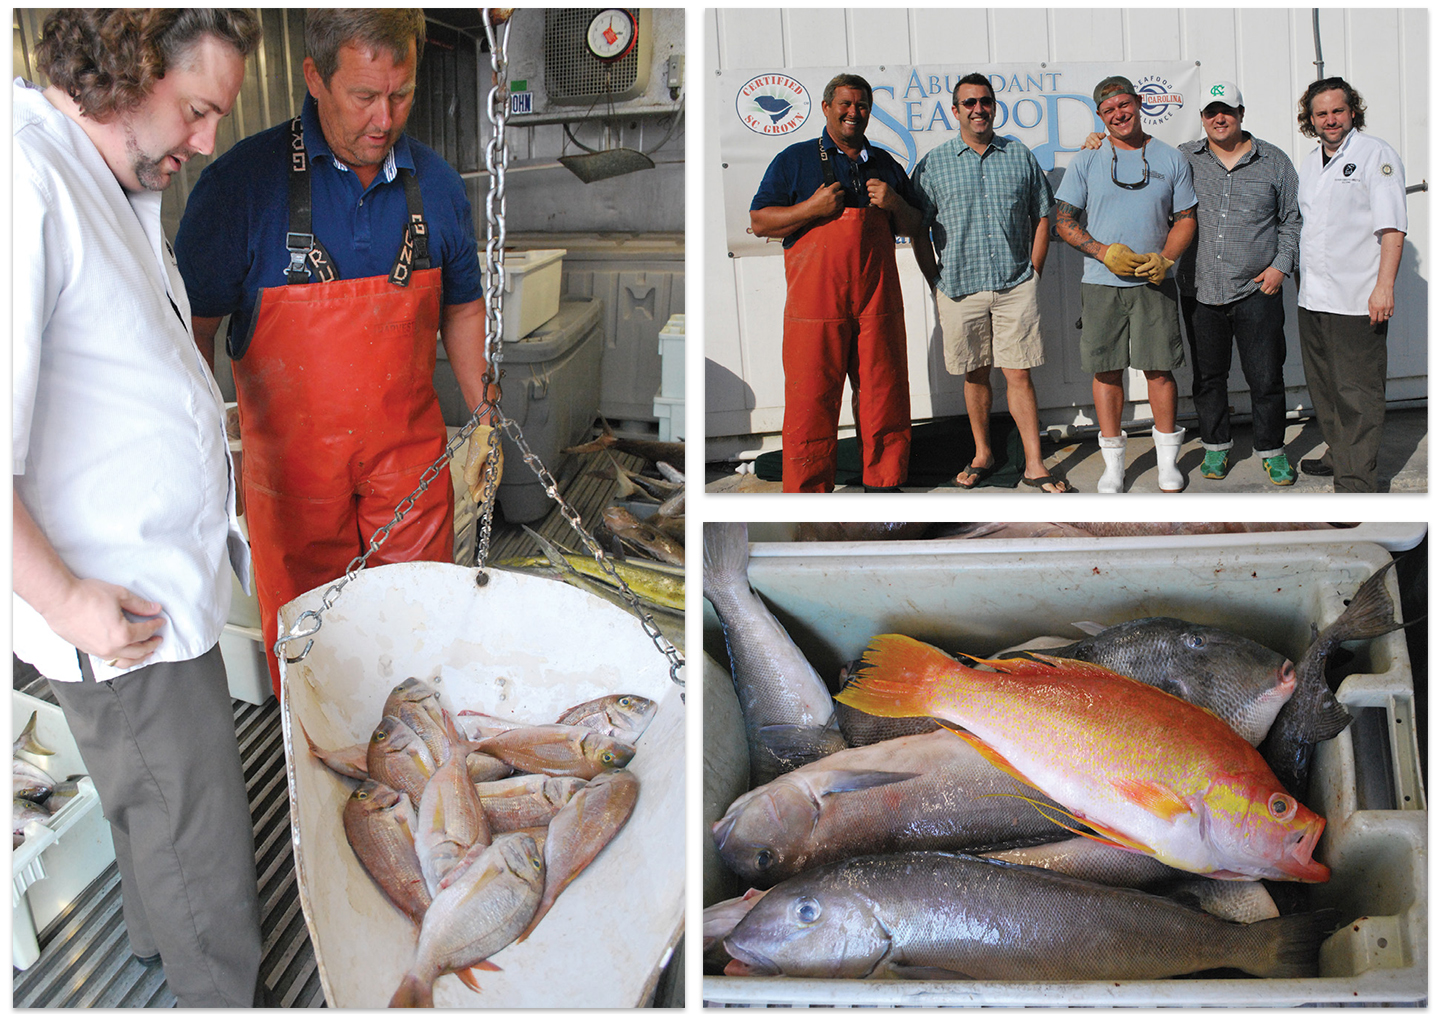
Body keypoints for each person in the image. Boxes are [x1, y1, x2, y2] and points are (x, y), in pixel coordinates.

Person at [13, 10, 265, 1005]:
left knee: (146, 808)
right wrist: (69, 598)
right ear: (124, 69)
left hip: (151, 594)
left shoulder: (103, 172)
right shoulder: (26, 180)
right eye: (196, 109)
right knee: (195, 827)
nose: (204, 142)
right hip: (120, 612)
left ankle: (163, 947)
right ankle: (217, 989)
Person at [176, 10, 496, 694]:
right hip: (293, 479)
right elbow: (193, 331)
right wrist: (200, 451)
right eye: (363, 96)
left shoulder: (435, 184)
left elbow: (462, 304)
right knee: (312, 656)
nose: (385, 119)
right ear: (314, 78)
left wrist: (484, 413)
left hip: (408, 467)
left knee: (421, 634)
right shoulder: (239, 188)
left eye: (401, 94)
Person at [750, 73, 924, 493]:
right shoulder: (794, 160)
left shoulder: (885, 164)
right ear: (826, 107)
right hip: (815, 307)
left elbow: (916, 224)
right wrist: (811, 207)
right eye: (844, 104)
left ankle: (884, 483)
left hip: (877, 302)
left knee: (884, 392)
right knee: (812, 400)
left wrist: (895, 202)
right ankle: (809, 491)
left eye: (861, 105)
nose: (853, 113)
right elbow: (758, 221)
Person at [911, 72, 1069, 493]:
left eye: (985, 101)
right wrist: (936, 280)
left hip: (1015, 285)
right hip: (959, 288)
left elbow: (1042, 215)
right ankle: (983, 453)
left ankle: (1035, 463)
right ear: (955, 110)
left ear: (994, 106)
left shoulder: (1019, 155)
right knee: (975, 374)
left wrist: (1033, 271)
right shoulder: (932, 164)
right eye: (968, 103)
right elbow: (918, 228)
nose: (977, 109)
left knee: (1018, 374)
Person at [1054, 75, 1197, 493]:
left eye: (1124, 105)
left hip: (1154, 283)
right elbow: (1063, 220)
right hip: (1101, 283)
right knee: (1106, 370)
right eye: (1108, 110)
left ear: (1138, 103)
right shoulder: (1086, 160)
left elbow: (1186, 217)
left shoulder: (1171, 159)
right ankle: (1113, 465)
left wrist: (1166, 258)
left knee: (1160, 369)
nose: (1119, 114)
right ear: (1101, 116)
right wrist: (1102, 252)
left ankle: (1168, 463)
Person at [1176, 82, 1302, 485]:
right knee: (1208, 376)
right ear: (1202, 118)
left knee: (1266, 376)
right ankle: (1216, 449)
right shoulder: (1183, 159)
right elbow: (1136, 158)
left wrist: (1280, 267)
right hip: (1200, 289)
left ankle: (1272, 450)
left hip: (1256, 289)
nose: (1219, 118)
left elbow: (1291, 221)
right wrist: (1097, 141)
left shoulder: (1275, 162)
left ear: (1241, 113)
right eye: (1211, 111)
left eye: (1227, 110)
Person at [1294, 77, 1407, 493]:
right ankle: (1341, 454)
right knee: (1324, 388)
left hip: (1358, 298)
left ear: (1352, 111)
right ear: (1311, 119)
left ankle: (1357, 483)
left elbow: (1392, 228)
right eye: (1320, 113)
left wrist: (1385, 287)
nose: (1330, 120)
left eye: (1337, 111)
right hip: (1315, 298)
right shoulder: (1309, 162)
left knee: (1357, 393)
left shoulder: (1375, 155)